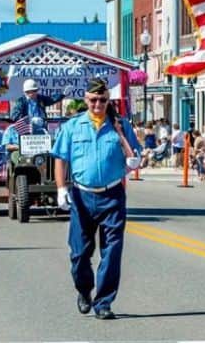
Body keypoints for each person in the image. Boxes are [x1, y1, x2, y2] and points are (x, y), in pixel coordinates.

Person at [51, 78, 141, 320]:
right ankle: (84, 289)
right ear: (86, 100)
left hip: (112, 194)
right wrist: (61, 188)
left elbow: (134, 154)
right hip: (82, 195)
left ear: (108, 100)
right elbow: (60, 158)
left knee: (112, 251)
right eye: (93, 100)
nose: (98, 104)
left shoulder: (119, 125)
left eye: (102, 99)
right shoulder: (73, 126)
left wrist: (134, 161)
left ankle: (104, 302)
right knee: (79, 253)